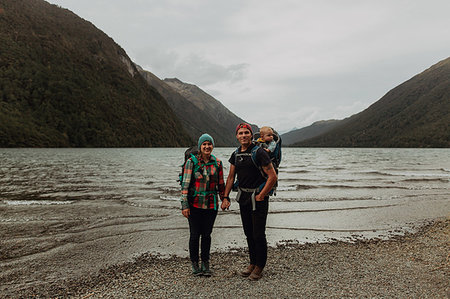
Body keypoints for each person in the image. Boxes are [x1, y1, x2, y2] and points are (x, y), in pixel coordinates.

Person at [221, 123, 277, 281]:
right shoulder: (236, 154)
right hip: (243, 198)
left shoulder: (259, 153)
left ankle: (260, 266)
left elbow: (272, 176)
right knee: (248, 233)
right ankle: (252, 263)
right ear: (237, 136)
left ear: (251, 135)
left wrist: (262, 195)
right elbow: (231, 177)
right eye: (240, 133)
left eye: (246, 133)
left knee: (258, 234)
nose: (244, 135)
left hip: (258, 198)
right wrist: (225, 197)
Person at [180, 133, 225, 276]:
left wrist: (224, 198)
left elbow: (221, 185)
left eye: (209, 144)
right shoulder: (191, 162)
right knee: (194, 235)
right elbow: (185, 185)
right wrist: (184, 205)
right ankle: (194, 264)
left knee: (207, 235)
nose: (207, 146)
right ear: (200, 146)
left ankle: (205, 264)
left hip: (212, 205)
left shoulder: (217, 163)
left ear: (212, 146)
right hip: (194, 205)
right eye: (204, 144)